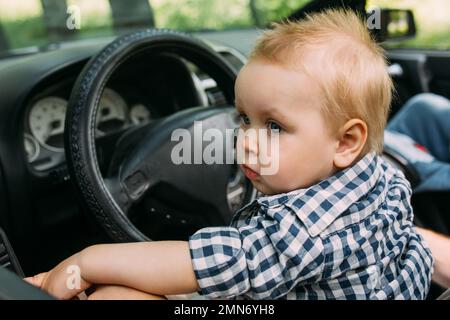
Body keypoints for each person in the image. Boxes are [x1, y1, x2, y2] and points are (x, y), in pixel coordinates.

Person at [25, 9, 434, 300]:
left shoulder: (302, 230)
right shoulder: (382, 176)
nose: (246, 142)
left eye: (274, 126)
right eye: (242, 118)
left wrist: (86, 259)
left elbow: (208, 264)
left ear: (345, 142)